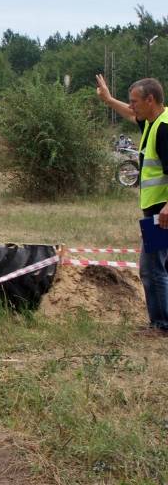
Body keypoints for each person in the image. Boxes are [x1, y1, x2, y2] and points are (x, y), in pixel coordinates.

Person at [97, 74, 168, 336]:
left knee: (152, 268)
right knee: (161, 266)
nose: (132, 106)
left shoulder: (164, 129)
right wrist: (108, 99)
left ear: (150, 100)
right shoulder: (154, 121)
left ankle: (161, 325)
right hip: (157, 209)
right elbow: (129, 114)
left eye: (135, 101)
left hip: (161, 212)